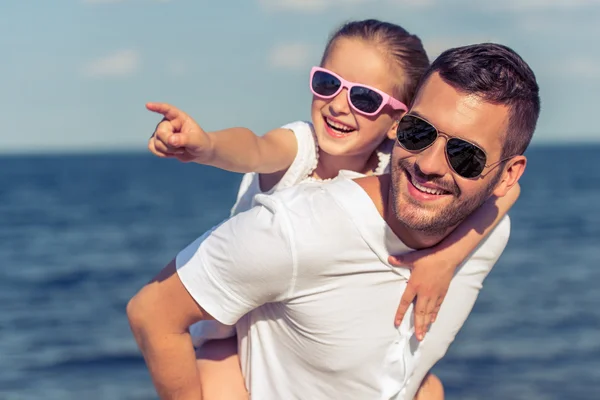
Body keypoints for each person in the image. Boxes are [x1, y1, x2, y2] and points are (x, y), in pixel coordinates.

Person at [127, 41, 540, 400]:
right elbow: (152, 312)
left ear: (505, 175)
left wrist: (446, 258)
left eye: (466, 156)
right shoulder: (296, 219)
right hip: (221, 331)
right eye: (420, 133)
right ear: (402, 126)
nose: (430, 164)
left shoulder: (486, 229)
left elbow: (500, 208)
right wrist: (208, 146)